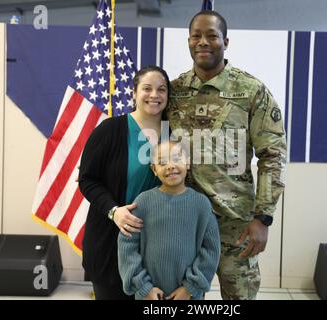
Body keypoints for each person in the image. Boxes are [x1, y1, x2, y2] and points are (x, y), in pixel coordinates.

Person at [166, 10, 287, 300]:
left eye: (212, 36)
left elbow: (272, 156)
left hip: (237, 225)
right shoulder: (174, 91)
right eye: (196, 36)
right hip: (185, 221)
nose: (203, 42)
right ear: (188, 41)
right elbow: (158, 151)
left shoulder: (251, 91)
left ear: (226, 41)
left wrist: (264, 218)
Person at [78, 65, 170, 300]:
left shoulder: (174, 134)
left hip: (158, 246)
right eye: (146, 88)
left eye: (161, 90)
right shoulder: (110, 130)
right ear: (134, 93)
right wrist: (113, 211)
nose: (154, 95)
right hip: (111, 244)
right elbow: (87, 179)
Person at [118, 140, 220, 300]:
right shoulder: (143, 202)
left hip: (188, 296)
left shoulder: (201, 205)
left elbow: (210, 250)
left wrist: (190, 288)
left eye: (176, 159)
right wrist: (144, 288)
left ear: (188, 163)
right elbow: (127, 247)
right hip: (150, 294)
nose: (170, 166)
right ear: (154, 169)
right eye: (162, 162)